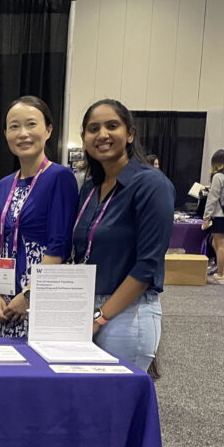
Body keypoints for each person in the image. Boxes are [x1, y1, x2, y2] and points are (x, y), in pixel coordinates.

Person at [72, 99, 173, 371]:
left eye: (112, 126)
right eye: (93, 129)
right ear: (84, 139)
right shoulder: (90, 188)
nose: (102, 134)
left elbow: (148, 265)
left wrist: (100, 317)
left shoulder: (151, 184)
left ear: (130, 134)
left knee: (114, 405)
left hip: (127, 313)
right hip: (87, 308)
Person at [0, 96, 78, 338]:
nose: (23, 133)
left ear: (48, 130)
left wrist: (29, 294)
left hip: (40, 297)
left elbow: (59, 247)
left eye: (31, 124)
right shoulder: (4, 185)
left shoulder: (60, 177)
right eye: (14, 126)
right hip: (7, 302)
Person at [201, 149, 224, 284]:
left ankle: (222, 274)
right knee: (219, 243)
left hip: (220, 215)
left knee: (220, 245)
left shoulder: (218, 177)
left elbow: (213, 198)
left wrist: (207, 216)